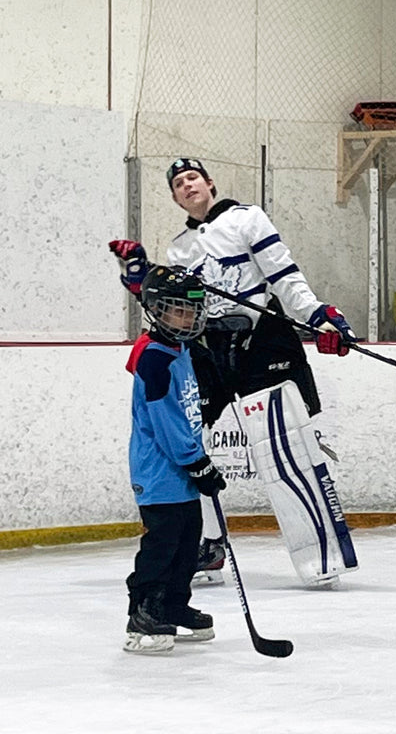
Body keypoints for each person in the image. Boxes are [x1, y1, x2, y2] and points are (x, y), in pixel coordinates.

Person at [110, 157, 358, 586]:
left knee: (285, 449)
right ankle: (206, 546)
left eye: (193, 178)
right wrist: (141, 278)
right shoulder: (178, 249)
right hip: (209, 350)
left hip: (261, 344)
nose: (187, 186)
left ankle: (322, 548)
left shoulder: (248, 219)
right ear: (174, 197)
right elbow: (176, 307)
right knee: (186, 443)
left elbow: (284, 276)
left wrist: (318, 316)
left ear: (209, 183)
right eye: (178, 184)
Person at [123, 266, 227, 654]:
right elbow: (166, 424)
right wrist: (197, 463)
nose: (187, 318)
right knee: (161, 545)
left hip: (180, 472)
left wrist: (195, 462)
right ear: (156, 311)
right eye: (177, 310)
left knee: (187, 542)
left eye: (191, 311)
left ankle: (174, 605)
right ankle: (144, 612)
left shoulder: (178, 349)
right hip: (159, 472)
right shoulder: (154, 358)